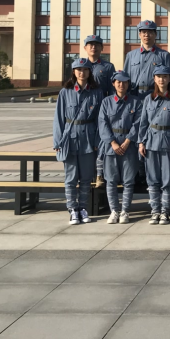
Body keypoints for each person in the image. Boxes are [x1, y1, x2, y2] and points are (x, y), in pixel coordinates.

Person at [53, 58, 104, 225]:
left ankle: (83, 208)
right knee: (71, 177)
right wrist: (58, 142)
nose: (82, 73)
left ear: (90, 72)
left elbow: (100, 120)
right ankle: (72, 209)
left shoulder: (97, 92)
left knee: (86, 178)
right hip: (70, 138)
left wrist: (98, 140)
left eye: (85, 69)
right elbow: (59, 118)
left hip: (89, 138)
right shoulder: (65, 92)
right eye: (79, 70)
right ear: (74, 72)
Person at [138, 65, 170, 225]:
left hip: (168, 141)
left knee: (167, 179)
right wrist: (141, 142)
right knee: (152, 179)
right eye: (159, 76)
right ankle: (155, 210)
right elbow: (143, 122)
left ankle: (165, 211)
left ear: (169, 78)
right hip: (151, 141)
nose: (162, 79)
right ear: (154, 79)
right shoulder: (148, 99)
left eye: (165, 76)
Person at [98, 70, 143, 224]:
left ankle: (125, 211)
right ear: (113, 83)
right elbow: (103, 124)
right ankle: (114, 210)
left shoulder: (136, 102)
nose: (121, 84)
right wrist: (113, 143)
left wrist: (128, 141)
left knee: (128, 181)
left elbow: (138, 123)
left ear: (128, 84)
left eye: (124, 82)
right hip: (111, 146)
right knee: (111, 180)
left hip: (129, 146)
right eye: (118, 82)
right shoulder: (106, 102)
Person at [84, 34, 116, 189]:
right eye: (90, 45)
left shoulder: (108, 67)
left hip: (101, 110)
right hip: (84, 112)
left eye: (96, 45)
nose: (93, 47)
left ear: (102, 48)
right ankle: (86, 174)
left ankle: (100, 174)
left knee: (102, 142)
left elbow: (112, 91)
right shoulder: (80, 66)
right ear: (85, 48)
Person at [123, 20, 170, 98]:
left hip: (155, 96)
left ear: (155, 34)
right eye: (144, 32)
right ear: (140, 35)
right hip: (134, 96)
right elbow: (125, 78)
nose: (146, 35)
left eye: (150, 32)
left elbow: (169, 79)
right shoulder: (131, 55)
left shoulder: (164, 55)